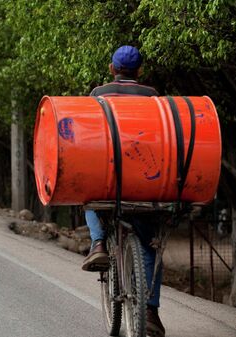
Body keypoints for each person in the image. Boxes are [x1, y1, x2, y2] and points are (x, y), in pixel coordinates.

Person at [81, 45, 165, 337]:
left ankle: (99, 244)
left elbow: (90, 134)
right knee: (150, 243)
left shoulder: (98, 94)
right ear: (140, 71)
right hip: (146, 179)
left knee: (89, 198)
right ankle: (151, 312)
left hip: (108, 178)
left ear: (111, 68)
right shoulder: (153, 96)